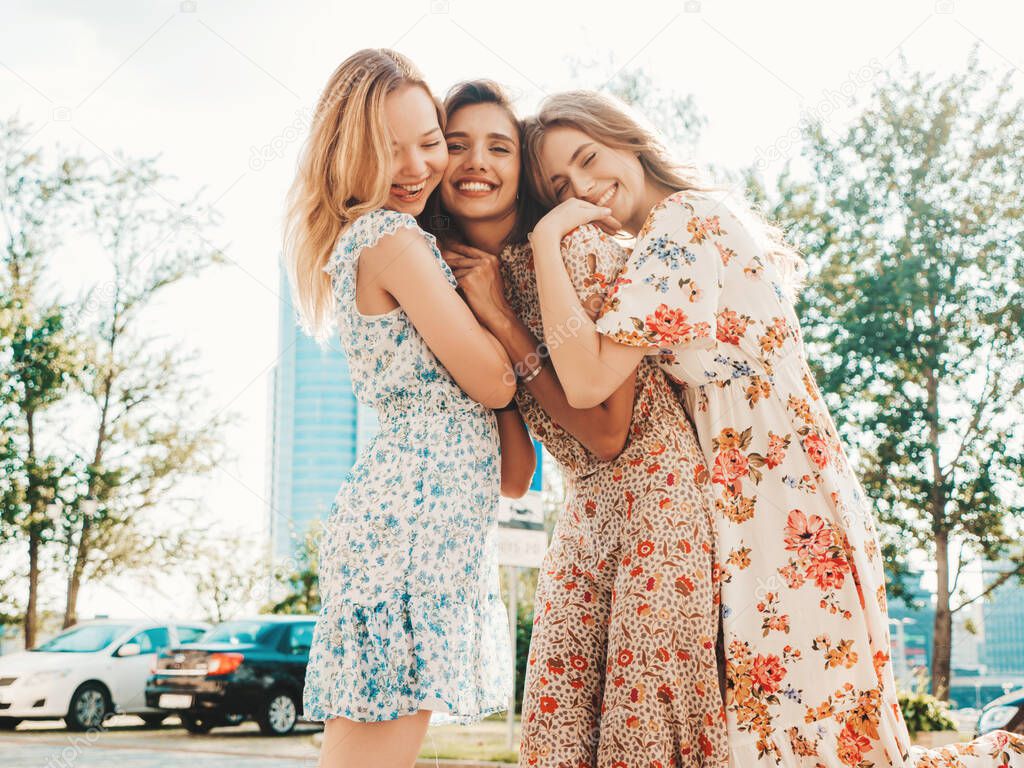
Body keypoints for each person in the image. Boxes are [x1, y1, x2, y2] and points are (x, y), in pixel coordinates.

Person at [521, 89, 1024, 767]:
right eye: (560, 188)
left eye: (587, 159)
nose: (584, 189)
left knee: (814, 739)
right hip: (778, 495)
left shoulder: (683, 222)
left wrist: (545, 239)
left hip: (780, 510)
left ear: (627, 139)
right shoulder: (672, 235)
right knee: (809, 735)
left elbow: (585, 381)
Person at [428, 79, 729, 767]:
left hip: (659, 497)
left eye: (499, 148)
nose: (478, 163)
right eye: (457, 147)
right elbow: (518, 463)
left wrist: (501, 319)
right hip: (587, 503)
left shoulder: (575, 248)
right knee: (557, 720)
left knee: (641, 723)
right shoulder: (455, 275)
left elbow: (605, 432)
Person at [282, 50, 535, 768]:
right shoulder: (388, 237)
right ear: (347, 153)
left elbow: (512, 474)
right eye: (388, 149)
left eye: (430, 142)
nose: (416, 165)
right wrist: (494, 310)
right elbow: (492, 383)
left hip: (427, 530)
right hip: (405, 530)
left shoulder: (412, 241)